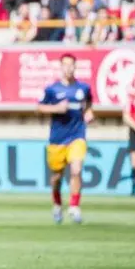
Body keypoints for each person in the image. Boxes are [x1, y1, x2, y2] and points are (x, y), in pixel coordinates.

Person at [37, 53, 94, 224]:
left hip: (77, 135)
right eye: (65, 65)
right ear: (61, 68)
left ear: (75, 67)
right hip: (57, 139)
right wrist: (56, 108)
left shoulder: (83, 88)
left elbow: (89, 103)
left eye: (71, 65)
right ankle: (56, 204)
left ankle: (75, 207)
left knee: (76, 170)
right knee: (56, 177)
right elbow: (39, 108)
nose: (68, 68)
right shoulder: (51, 90)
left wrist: (89, 112)